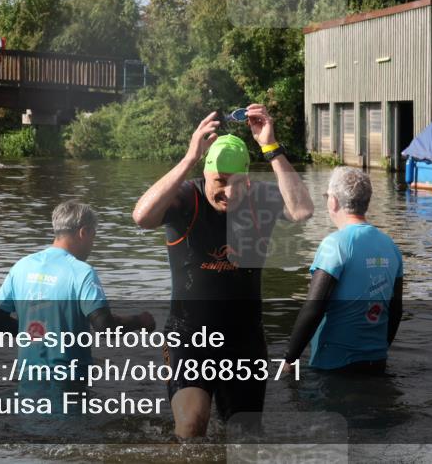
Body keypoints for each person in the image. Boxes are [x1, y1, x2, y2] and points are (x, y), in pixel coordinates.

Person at [132, 106, 314, 438]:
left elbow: (302, 210)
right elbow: (142, 217)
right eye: (221, 182)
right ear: (206, 174)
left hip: (244, 340)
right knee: (191, 423)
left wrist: (271, 148)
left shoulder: (259, 197)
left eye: (238, 183)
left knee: (246, 437)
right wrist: (189, 157)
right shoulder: (187, 198)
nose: (230, 193)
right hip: (190, 336)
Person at [0, 201, 155, 401]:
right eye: (93, 236)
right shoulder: (82, 273)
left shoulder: (21, 267)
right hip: (69, 381)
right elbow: (105, 326)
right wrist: (139, 321)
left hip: (28, 377)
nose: (92, 245)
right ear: (83, 232)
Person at [282, 167, 403, 375]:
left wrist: (290, 359)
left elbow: (314, 308)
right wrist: (380, 350)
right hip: (376, 362)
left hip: (333, 364)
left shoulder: (335, 245)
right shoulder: (391, 246)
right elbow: (396, 310)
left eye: (327, 196)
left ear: (333, 202)